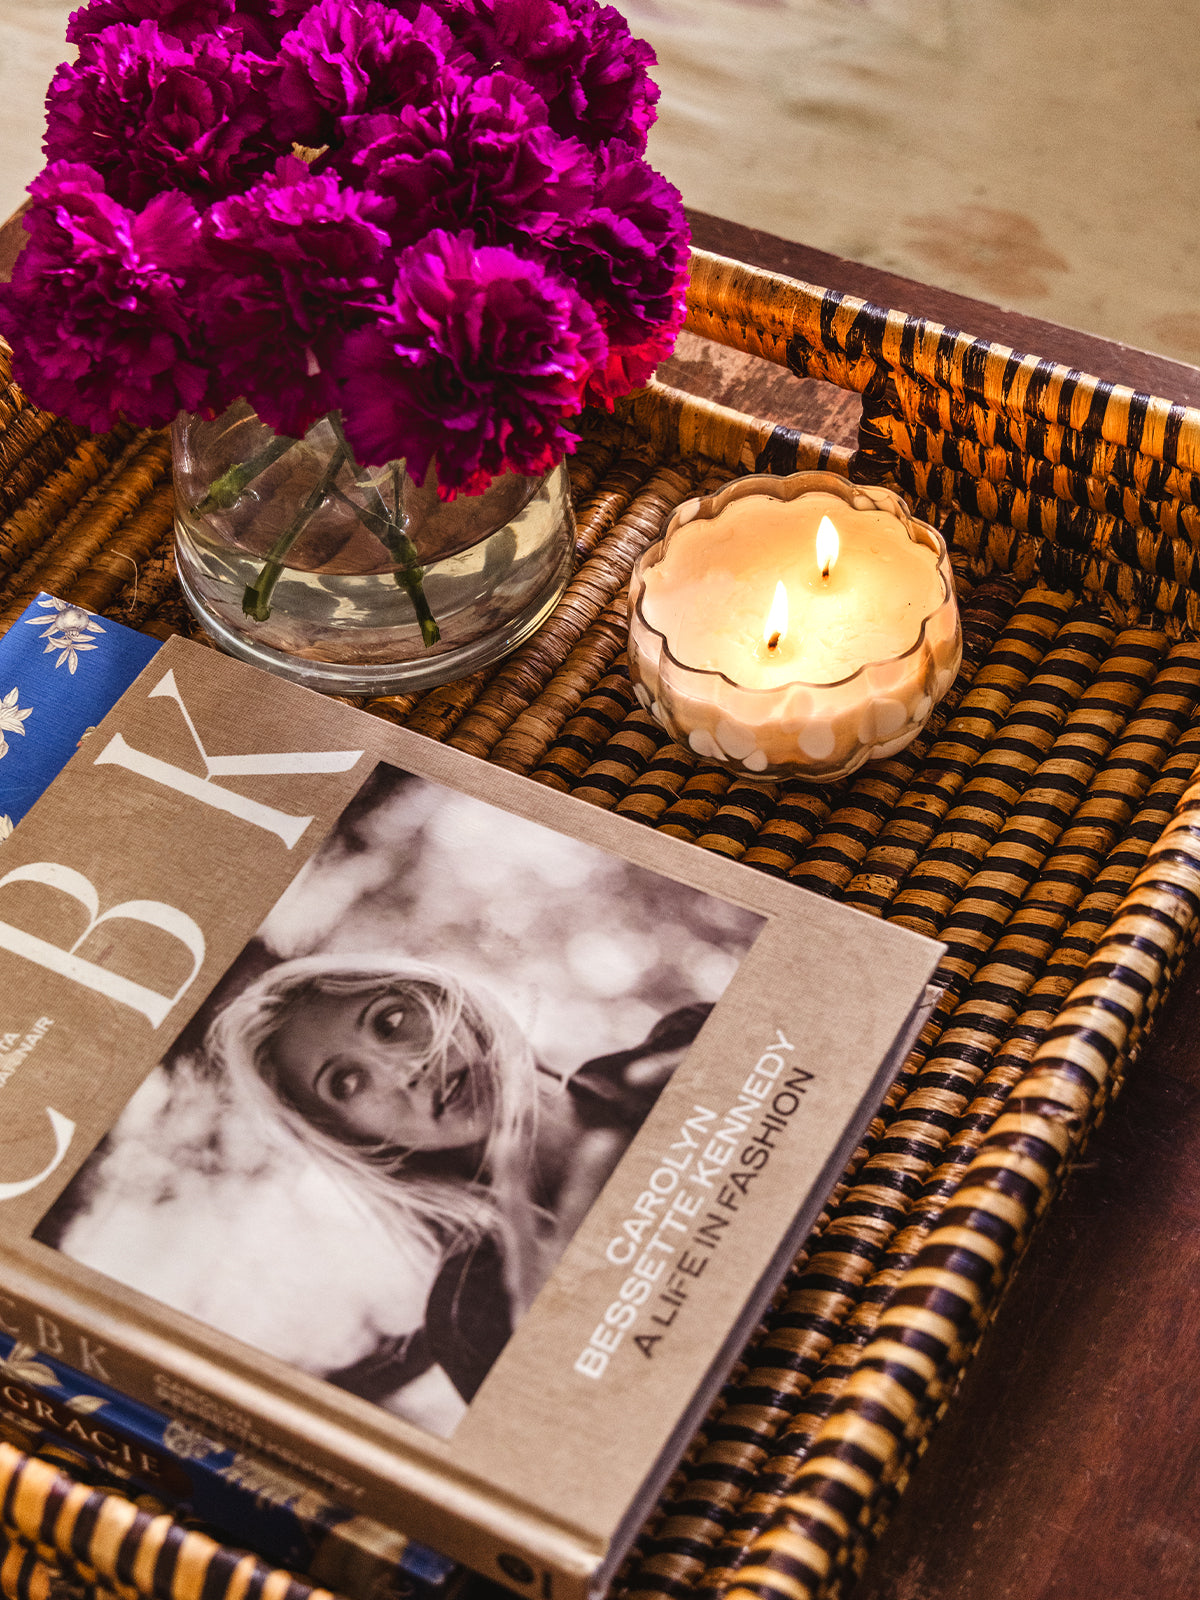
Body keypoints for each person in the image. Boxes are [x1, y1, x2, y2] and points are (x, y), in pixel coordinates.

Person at [206, 953, 710, 1428]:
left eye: (391, 1022)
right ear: (353, 1137)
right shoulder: (471, 1312)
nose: (407, 1072)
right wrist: (572, 1354)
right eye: (347, 1083)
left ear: (444, 999)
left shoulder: (691, 1045)